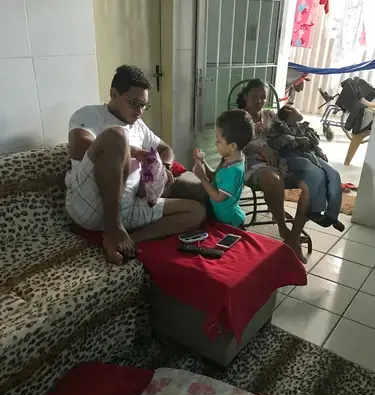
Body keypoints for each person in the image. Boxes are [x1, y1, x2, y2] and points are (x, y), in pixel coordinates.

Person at [66, 65, 206, 265]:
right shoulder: (90, 115)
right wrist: (135, 151)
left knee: (196, 211)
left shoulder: (139, 126)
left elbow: (166, 149)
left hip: (129, 207)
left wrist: (164, 168)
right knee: (117, 136)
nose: (139, 111)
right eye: (133, 103)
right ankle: (113, 227)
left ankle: (124, 240)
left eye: (144, 105)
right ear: (114, 93)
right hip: (90, 204)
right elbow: (79, 147)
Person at [237, 78, 329, 263]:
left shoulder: (272, 115)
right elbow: (233, 142)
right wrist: (258, 147)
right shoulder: (238, 117)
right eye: (254, 96)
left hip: (283, 162)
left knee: (310, 186)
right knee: (273, 179)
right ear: (245, 97)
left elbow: (297, 120)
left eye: (263, 97)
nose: (259, 101)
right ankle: (283, 227)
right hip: (252, 163)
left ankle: (293, 237)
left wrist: (289, 109)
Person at [268, 104, 344, 232]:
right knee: (317, 173)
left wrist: (318, 150)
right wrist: (296, 139)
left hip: (308, 154)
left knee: (334, 174)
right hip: (290, 157)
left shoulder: (303, 126)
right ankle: (315, 211)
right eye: (296, 109)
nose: (299, 110)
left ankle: (331, 216)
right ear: (288, 111)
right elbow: (274, 143)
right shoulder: (278, 126)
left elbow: (314, 142)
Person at [192, 109, 253, 228]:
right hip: (220, 215)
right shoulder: (228, 158)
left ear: (232, 146)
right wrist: (203, 162)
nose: (215, 144)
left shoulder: (233, 170)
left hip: (228, 221)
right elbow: (216, 177)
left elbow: (218, 197)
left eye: (218, 141)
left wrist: (202, 177)